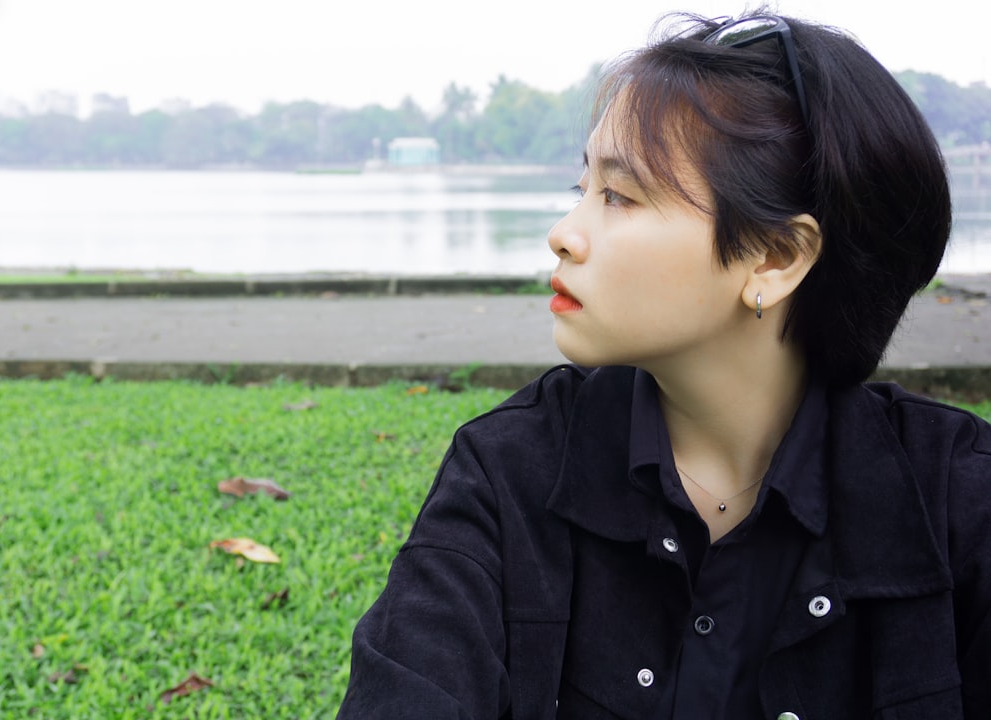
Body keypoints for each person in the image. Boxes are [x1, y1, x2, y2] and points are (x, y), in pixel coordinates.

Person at [337, 9, 990, 719]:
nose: (564, 235)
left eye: (619, 196)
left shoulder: (958, 502)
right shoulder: (509, 472)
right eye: (583, 190)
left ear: (775, 258)